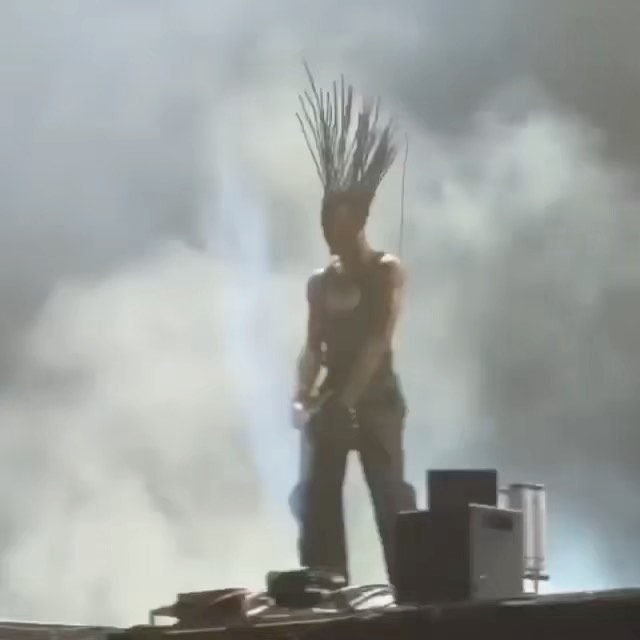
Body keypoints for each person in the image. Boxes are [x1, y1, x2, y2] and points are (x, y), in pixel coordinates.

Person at [289, 66, 416, 585]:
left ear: (358, 222)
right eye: (325, 224)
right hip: (335, 401)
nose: (329, 234)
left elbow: (378, 339)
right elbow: (312, 347)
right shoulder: (321, 283)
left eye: (337, 223)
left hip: (377, 399)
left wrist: (348, 400)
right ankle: (326, 585)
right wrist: (303, 395)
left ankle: (412, 586)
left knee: (390, 497)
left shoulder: (386, 272)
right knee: (316, 497)